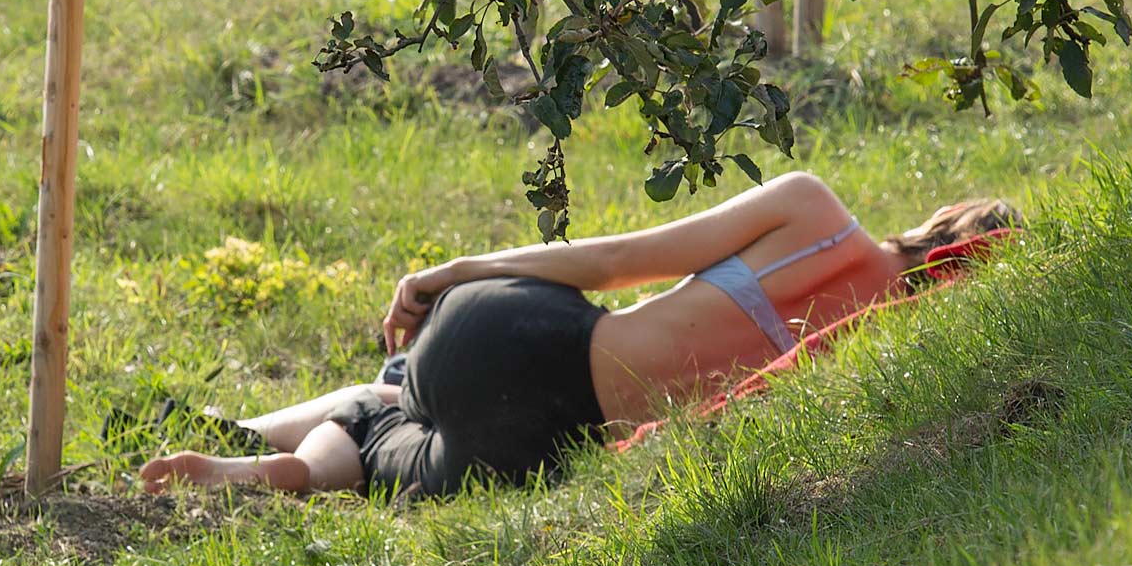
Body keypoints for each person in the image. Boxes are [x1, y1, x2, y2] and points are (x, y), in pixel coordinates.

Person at [136, 173, 1017, 499]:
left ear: (938, 223)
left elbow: (617, 258)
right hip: (547, 444)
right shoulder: (883, 361)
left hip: (517, 339)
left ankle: (245, 437)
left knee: (402, 388)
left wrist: (451, 275)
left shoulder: (813, 211)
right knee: (392, 432)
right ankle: (281, 459)